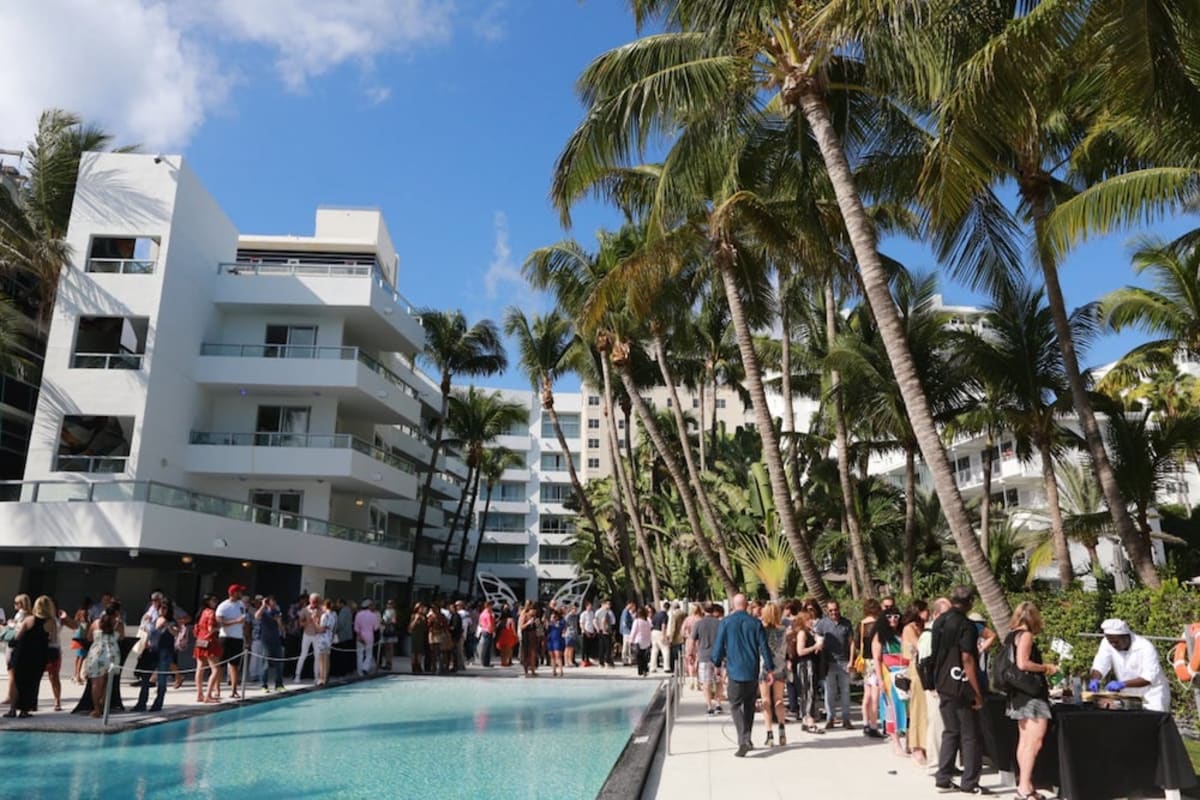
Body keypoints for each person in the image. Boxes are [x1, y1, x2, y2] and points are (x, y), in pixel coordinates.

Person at [931, 586, 988, 795]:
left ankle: (943, 777)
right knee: (970, 734)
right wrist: (976, 691)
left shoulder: (939, 621)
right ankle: (969, 781)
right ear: (969, 602)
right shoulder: (966, 625)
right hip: (961, 682)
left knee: (951, 731)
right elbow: (967, 658)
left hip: (943, 681)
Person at [1005, 601, 1058, 800]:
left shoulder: (1011, 636)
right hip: (1030, 695)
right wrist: (1046, 667)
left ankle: (1023, 783)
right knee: (1034, 742)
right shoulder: (1026, 635)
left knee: (1025, 740)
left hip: (1018, 694)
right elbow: (1022, 663)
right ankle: (1025, 787)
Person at [712, 593, 775, 758]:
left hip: (734, 671)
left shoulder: (726, 622)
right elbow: (764, 647)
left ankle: (744, 740)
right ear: (746, 605)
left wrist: (716, 663)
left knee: (734, 705)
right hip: (751, 670)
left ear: (733, 605)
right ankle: (747, 738)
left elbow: (718, 646)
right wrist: (769, 668)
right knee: (749, 707)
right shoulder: (755, 623)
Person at [1087, 618, 1169, 712]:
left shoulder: (1145, 647)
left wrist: (1123, 684)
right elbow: (1100, 663)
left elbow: (1149, 678)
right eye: (1111, 642)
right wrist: (1095, 679)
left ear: (1125, 636)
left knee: (1153, 721)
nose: (1113, 645)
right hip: (1129, 695)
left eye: (1116, 642)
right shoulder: (1107, 643)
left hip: (1152, 695)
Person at [6, 595, 54, 717]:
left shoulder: (29, 620)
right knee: (32, 683)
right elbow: (51, 640)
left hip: (22, 654)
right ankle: (24, 710)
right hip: (38, 656)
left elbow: (18, 637)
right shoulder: (50, 622)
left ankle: (12, 709)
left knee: (17, 681)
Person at [874, 607, 909, 756]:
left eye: (896, 616)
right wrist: (880, 680)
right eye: (889, 616)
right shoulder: (880, 636)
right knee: (892, 709)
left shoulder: (903, 634)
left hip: (906, 673)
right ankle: (896, 743)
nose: (893, 619)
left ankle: (909, 742)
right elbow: (877, 659)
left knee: (908, 709)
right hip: (890, 674)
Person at [133, 598, 178, 713]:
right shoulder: (154, 620)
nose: (161, 610)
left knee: (161, 680)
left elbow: (176, 633)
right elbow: (148, 634)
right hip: (151, 651)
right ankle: (141, 703)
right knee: (145, 679)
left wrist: (167, 625)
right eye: (160, 608)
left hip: (164, 652)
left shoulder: (172, 622)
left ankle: (158, 704)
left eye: (164, 608)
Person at [815, 599, 854, 730]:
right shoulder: (822, 624)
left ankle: (846, 719)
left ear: (839, 609)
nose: (834, 612)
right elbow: (817, 640)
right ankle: (830, 718)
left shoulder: (846, 623)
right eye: (830, 610)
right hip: (828, 663)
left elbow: (852, 643)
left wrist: (852, 661)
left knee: (845, 692)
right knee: (829, 692)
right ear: (827, 611)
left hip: (844, 662)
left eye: (835, 609)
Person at [902, 600, 931, 766]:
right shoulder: (910, 628)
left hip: (925, 668)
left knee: (926, 708)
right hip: (916, 669)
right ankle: (916, 746)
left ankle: (925, 743)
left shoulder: (923, 628)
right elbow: (920, 646)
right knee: (917, 708)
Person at [83, 603, 123, 718]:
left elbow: (89, 637)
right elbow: (122, 637)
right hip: (112, 655)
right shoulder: (118, 624)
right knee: (107, 683)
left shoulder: (96, 623)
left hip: (97, 654)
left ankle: (96, 709)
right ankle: (103, 707)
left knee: (96, 683)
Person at [759, 601, 789, 747]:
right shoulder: (784, 630)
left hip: (765, 668)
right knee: (779, 699)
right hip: (780, 667)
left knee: (766, 700)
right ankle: (782, 728)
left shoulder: (761, 630)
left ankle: (769, 733)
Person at [791, 609, 824, 734]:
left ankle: (806, 718)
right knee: (808, 692)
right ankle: (809, 718)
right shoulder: (802, 633)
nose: (812, 621)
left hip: (811, 663)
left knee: (810, 691)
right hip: (805, 665)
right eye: (809, 619)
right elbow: (800, 651)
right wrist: (815, 647)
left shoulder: (810, 632)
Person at [215, 584, 247, 699]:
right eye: (239, 592)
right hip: (225, 637)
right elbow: (220, 623)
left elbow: (243, 621)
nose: (241, 594)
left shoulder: (241, 604)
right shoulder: (223, 606)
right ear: (233, 593)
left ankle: (234, 690)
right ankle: (217, 689)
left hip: (238, 638)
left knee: (235, 665)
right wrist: (236, 621)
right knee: (220, 665)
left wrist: (245, 637)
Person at [859, 598, 884, 739]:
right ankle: (874, 726)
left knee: (866, 695)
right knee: (875, 695)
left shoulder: (861, 625)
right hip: (875, 661)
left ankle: (865, 724)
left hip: (866, 661)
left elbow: (858, 643)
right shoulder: (878, 625)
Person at [693, 604, 723, 713]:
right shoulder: (720, 623)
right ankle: (719, 704)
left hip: (704, 656)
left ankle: (709, 705)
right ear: (714, 610)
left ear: (703, 610)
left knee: (706, 683)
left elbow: (692, 640)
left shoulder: (698, 624)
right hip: (719, 656)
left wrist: (690, 654)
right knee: (719, 681)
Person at [193, 594, 222, 703]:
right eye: (213, 600)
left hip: (200, 640)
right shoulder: (211, 613)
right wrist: (219, 627)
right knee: (215, 669)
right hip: (210, 641)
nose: (215, 602)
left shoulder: (201, 612)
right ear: (208, 602)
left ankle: (199, 694)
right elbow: (211, 629)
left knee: (199, 668)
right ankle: (208, 695)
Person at [257, 595, 286, 692]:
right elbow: (257, 616)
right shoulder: (264, 612)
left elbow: (282, 628)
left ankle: (279, 684)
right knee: (265, 664)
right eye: (272, 601)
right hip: (266, 640)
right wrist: (262, 605)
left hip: (276, 640)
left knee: (279, 664)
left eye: (275, 601)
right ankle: (263, 685)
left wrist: (279, 622)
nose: (274, 603)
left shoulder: (277, 612)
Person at [294, 594, 322, 681]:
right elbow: (300, 624)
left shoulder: (321, 610)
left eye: (316, 601)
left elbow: (322, 624)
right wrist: (309, 620)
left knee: (317, 656)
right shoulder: (304, 610)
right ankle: (297, 675)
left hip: (317, 635)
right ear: (309, 600)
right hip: (307, 634)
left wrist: (316, 619)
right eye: (313, 601)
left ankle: (316, 677)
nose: (314, 603)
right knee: (303, 655)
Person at [354, 599, 381, 676]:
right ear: (369, 606)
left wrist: (359, 636)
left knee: (359, 655)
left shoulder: (358, 614)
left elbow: (356, 628)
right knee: (369, 654)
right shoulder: (373, 615)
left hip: (359, 636)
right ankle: (365, 668)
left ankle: (360, 672)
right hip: (369, 636)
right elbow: (376, 628)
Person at [70, 599, 91, 685]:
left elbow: (75, 621)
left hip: (77, 633)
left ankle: (75, 674)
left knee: (78, 656)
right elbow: (85, 622)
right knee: (82, 656)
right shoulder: (85, 612)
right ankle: (78, 677)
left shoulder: (78, 611)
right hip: (82, 635)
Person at [317, 598, 337, 685]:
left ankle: (321, 678)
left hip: (323, 638)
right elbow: (335, 627)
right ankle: (326, 677)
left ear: (325, 606)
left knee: (322, 659)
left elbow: (321, 629)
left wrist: (315, 622)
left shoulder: (324, 616)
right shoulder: (334, 614)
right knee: (327, 658)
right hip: (329, 637)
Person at [683, 603, 703, 690]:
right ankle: (697, 681)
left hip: (690, 641)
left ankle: (691, 679)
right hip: (700, 641)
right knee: (698, 660)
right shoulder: (701, 620)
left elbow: (682, 630)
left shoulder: (688, 619)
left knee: (690, 660)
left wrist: (687, 635)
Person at [519, 602, 540, 677]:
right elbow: (521, 627)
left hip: (533, 636)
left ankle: (533, 670)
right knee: (526, 654)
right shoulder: (525, 615)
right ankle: (526, 671)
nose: (534, 612)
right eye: (532, 610)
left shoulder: (536, 617)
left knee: (533, 654)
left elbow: (540, 630)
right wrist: (528, 623)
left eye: (535, 610)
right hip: (526, 635)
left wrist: (538, 625)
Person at [407, 603, 428, 675]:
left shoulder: (424, 617)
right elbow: (410, 628)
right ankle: (413, 665)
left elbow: (425, 627)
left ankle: (419, 665)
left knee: (420, 651)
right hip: (415, 635)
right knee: (414, 651)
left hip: (421, 635)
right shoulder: (413, 616)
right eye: (420, 608)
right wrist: (416, 619)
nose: (422, 609)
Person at [651, 602, 670, 672]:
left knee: (654, 650)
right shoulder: (665, 615)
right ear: (668, 608)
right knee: (665, 650)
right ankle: (666, 667)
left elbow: (652, 623)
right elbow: (663, 625)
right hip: (660, 632)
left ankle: (652, 667)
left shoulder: (656, 614)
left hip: (653, 632)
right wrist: (664, 635)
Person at [595, 600, 616, 668]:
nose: (609, 605)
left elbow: (613, 621)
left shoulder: (609, 611)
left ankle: (607, 661)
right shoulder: (601, 612)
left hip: (608, 629)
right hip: (604, 630)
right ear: (603, 604)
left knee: (608, 647)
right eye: (607, 604)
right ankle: (603, 662)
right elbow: (600, 621)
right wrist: (600, 629)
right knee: (604, 647)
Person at [380, 599, 399, 671]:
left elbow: (394, 621)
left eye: (391, 604)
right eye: (388, 603)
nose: (389, 605)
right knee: (386, 647)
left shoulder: (393, 611)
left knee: (390, 647)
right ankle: (387, 662)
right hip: (386, 630)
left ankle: (389, 663)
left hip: (390, 630)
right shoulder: (385, 611)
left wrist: (387, 622)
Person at [546, 610, 565, 677]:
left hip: (557, 639)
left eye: (554, 616)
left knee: (558, 656)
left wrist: (554, 623)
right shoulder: (549, 623)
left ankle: (561, 671)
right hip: (550, 639)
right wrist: (548, 624)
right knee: (552, 656)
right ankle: (553, 670)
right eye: (552, 616)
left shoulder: (561, 622)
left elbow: (561, 628)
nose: (553, 618)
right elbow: (546, 629)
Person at [477, 602, 495, 668]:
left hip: (483, 630)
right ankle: (486, 663)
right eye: (491, 606)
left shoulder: (482, 614)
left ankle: (484, 662)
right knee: (487, 648)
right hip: (488, 631)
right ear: (488, 606)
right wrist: (493, 631)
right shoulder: (488, 614)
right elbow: (490, 624)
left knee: (485, 647)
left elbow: (480, 623)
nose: (492, 607)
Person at [579, 600, 596, 667]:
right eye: (589, 606)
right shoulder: (583, 614)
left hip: (591, 631)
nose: (590, 607)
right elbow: (581, 623)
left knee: (589, 647)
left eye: (591, 606)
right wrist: (585, 631)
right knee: (584, 647)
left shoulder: (592, 613)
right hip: (585, 631)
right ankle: (583, 660)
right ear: (586, 607)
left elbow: (593, 622)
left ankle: (588, 659)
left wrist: (594, 631)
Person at [620, 601, 636, 666]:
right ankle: (625, 660)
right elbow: (625, 622)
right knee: (627, 646)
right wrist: (631, 627)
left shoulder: (625, 612)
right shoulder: (626, 612)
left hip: (626, 631)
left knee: (627, 646)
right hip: (627, 631)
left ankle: (627, 660)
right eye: (631, 605)